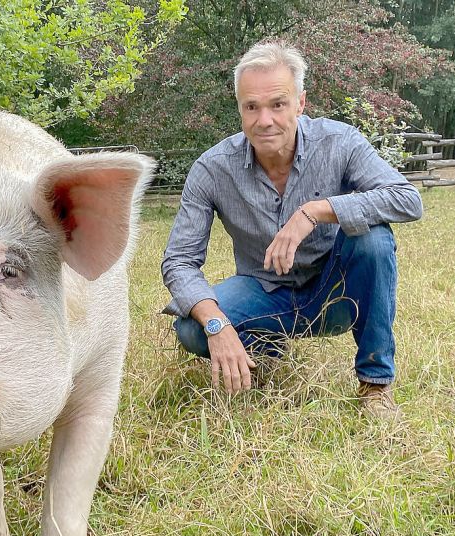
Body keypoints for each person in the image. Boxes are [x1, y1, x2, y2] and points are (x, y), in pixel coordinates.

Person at [160, 40, 423, 418]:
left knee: (374, 239)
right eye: (251, 106)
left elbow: (407, 200)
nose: (264, 119)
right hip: (264, 291)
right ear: (239, 109)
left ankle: (375, 385)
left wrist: (318, 210)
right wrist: (218, 325)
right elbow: (179, 261)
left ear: (301, 103)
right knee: (192, 329)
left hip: (336, 293)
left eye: (278, 104)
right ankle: (265, 351)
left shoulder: (340, 142)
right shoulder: (211, 169)